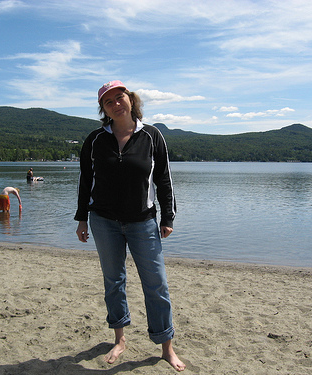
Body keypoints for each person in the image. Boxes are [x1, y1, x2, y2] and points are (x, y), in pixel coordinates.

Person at [75, 80, 185, 371]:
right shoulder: (95, 140)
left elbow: (163, 179)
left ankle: (166, 347)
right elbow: (86, 180)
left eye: (119, 97)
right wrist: (81, 218)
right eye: (108, 102)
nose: (115, 104)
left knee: (157, 285)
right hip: (103, 221)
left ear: (130, 98)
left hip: (143, 222)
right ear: (104, 109)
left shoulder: (152, 136)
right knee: (114, 282)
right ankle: (120, 339)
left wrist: (168, 217)